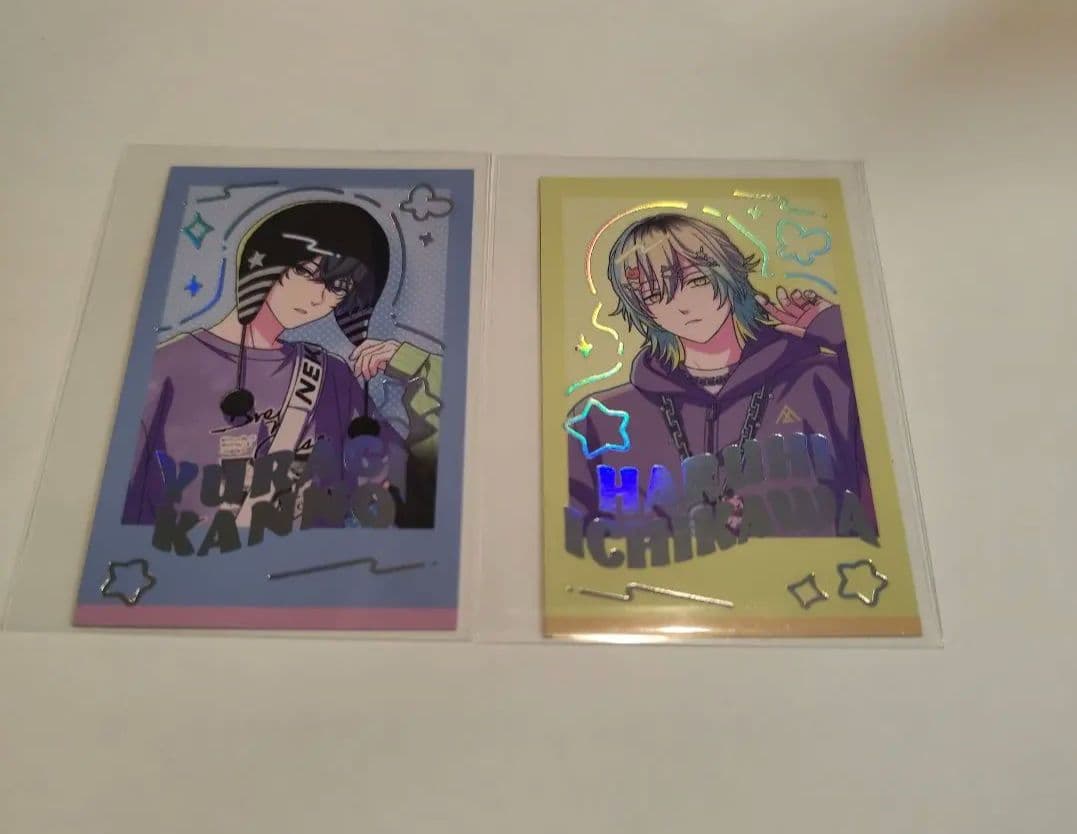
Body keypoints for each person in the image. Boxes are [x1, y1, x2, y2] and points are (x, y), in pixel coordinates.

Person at [123, 200, 441, 528]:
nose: (318, 298)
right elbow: (120, 507)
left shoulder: (331, 376)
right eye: (306, 273)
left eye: (338, 288)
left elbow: (413, 493)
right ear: (266, 262)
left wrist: (415, 364)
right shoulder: (164, 368)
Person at [567, 213, 875, 539]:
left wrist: (840, 332)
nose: (681, 305)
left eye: (696, 281)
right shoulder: (600, 420)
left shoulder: (823, 383)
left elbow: (887, 484)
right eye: (654, 294)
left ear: (729, 273)